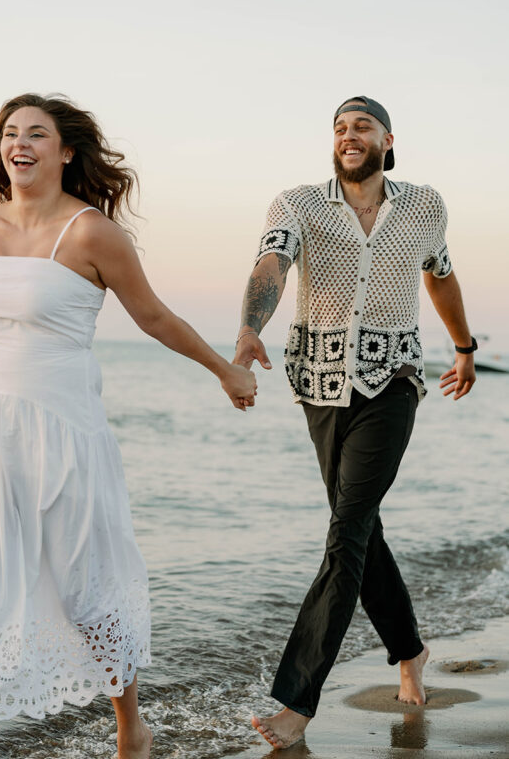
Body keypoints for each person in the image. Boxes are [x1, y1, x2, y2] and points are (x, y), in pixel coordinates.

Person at [0, 92, 257, 759]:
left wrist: (223, 370)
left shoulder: (92, 232)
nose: (21, 143)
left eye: (36, 133)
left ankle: (131, 725)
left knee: (84, 590)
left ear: (66, 151)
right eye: (11, 132)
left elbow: (153, 316)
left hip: (63, 434)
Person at [233, 95, 476, 750]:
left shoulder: (423, 205)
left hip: (392, 382)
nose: (347, 135)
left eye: (360, 126)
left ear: (386, 139)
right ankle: (408, 651)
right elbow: (272, 264)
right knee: (357, 524)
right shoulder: (297, 204)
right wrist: (250, 328)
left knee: (345, 531)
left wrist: (463, 346)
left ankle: (296, 700)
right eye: (338, 127)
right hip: (317, 385)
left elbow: (440, 275)